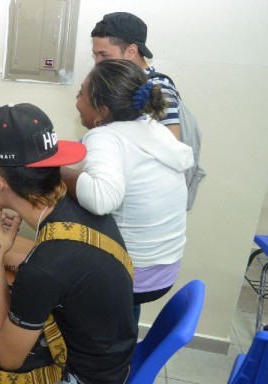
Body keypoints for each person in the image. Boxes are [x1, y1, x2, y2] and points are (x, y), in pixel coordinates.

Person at [0, 103, 138, 384]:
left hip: (82, 376)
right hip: (111, 359)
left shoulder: (43, 269)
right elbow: (67, 272)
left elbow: (6, 358)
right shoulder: (80, 209)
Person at [61, 59, 194, 321]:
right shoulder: (154, 128)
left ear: (102, 111)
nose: (76, 101)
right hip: (163, 270)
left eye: (81, 93)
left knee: (44, 266)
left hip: (132, 275)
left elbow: (101, 199)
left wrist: (57, 171)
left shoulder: (105, 136)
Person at [90, 12, 182, 141]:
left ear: (131, 52)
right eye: (95, 54)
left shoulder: (157, 87)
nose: (97, 62)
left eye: (104, 55)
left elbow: (173, 146)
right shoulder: (121, 84)